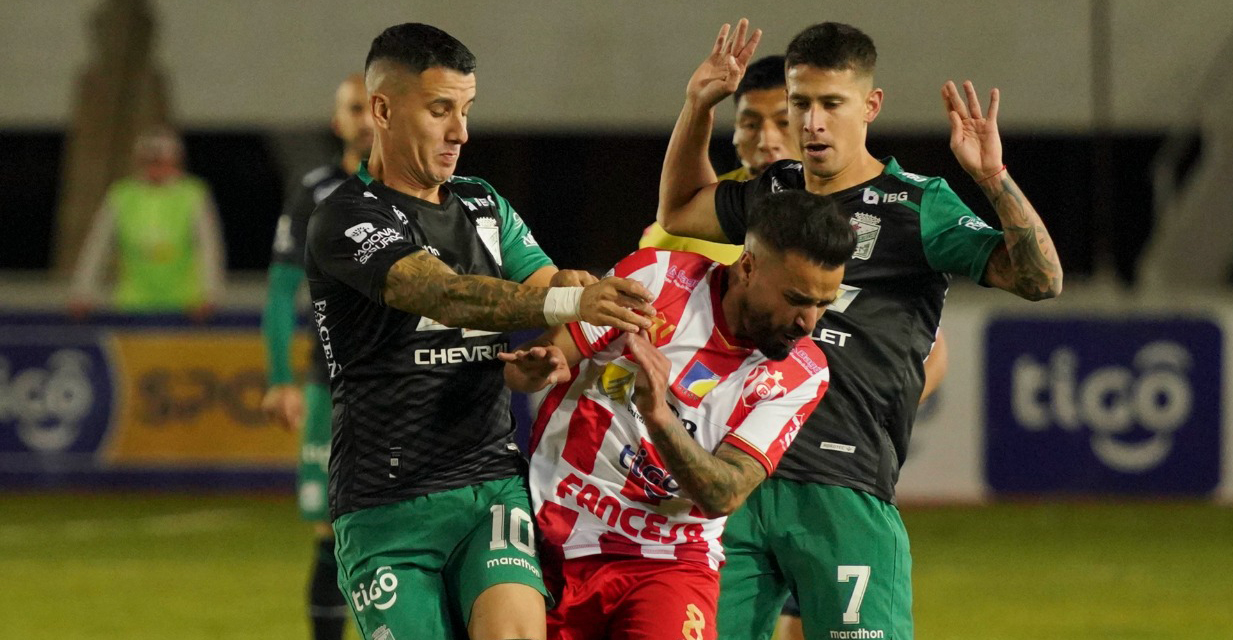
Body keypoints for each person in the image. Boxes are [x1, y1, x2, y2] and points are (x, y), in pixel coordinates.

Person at [658, 20, 1063, 640]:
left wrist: (992, 178)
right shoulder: (774, 193)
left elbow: (1041, 280)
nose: (812, 123)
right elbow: (680, 209)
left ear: (870, 106)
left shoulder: (919, 206)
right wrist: (697, 107)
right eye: (801, 104)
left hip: (843, 490)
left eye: (831, 104)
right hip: (737, 477)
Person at [304, 23, 655, 640]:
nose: (461, 132)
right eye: (440, 110)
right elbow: (443, 293)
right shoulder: (345, 217)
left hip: (489, 484)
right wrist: (572, 297)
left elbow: (543, 287)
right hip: (385, 502)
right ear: (382, 109)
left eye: (465, 110)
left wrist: (554, 333)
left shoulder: (483, 205)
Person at [503, 189, 855, 640]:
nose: (808, 322)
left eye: (822, 304)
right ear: (747, 266)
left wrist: (659, 416)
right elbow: (541, 367)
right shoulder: (656, 277)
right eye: (797, 298)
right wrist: (538, 368)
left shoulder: (803, 373)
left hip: (671, 561)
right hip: (554, 534)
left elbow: (723, 493)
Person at [260, 73, 374, 640]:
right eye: (352, 108)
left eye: (370, 107)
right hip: (331, 384)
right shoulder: (314, 191)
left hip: (399, 385)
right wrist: (281, 379)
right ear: (339, 122)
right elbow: (283, 291)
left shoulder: (421, 189)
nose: (362, 118)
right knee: (332, 532)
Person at [639, 55, 798, 265]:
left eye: (784, 122)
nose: (767, 142)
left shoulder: (851, 208)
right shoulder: (690, 223)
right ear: (735, 133)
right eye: (751, 125)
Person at [69, 126, 225, 317]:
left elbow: (209, 247)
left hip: (185, 304)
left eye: (161, 161)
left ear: (176, 161)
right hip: (133, 303)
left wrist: (209, 294)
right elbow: (97, 245)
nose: (156, 168)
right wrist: (83, 292)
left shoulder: (193, 194)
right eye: (149, 161)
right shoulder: (122, 194)